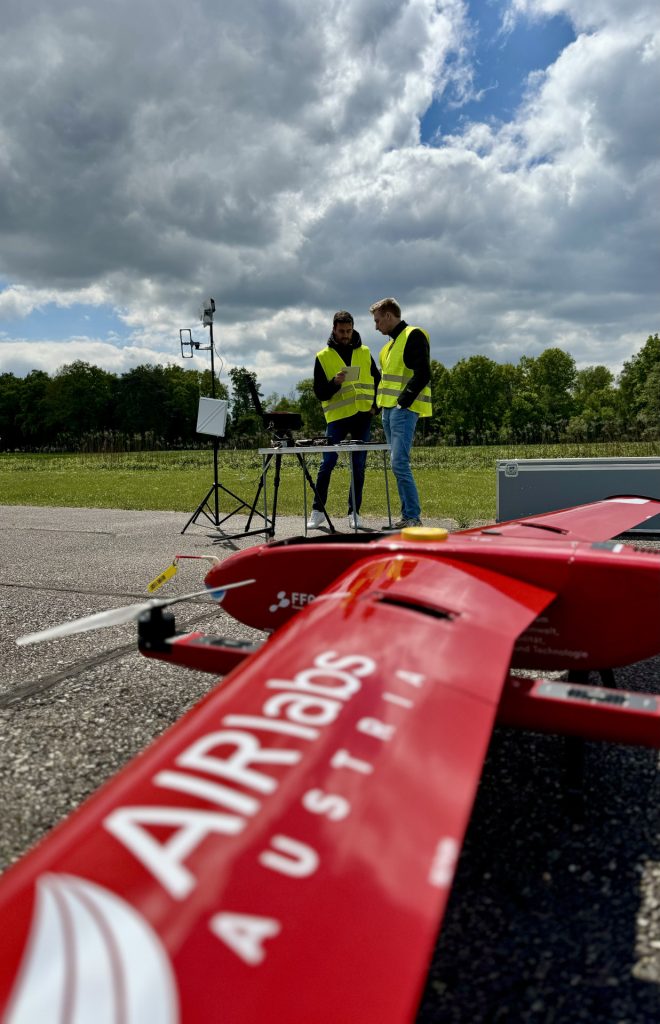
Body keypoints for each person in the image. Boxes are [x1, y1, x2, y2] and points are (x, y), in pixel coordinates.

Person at [307, 311, 381, 530]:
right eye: (341, 331)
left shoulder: (365, 352)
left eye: (349, 331)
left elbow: (378, 381)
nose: (346, 335)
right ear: (334, 329)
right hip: (337, 418)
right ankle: (318, 511)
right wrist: (334, 383)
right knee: (327, 463)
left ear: (353, 328)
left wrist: (377, 406)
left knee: (358, 465)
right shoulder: (323, 356)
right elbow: (320, 393)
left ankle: (354, 513)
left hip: (363, 416)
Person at [370, 297, 432, 529]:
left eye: (377, 321)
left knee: (399, 463)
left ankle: (413, 518)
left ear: (388, 316)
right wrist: (380, 407)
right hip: (388, 411)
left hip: (403, 411)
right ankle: (407, 517)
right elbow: (385, 381)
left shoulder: (413, 335)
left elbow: (423, 373)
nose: (376, 327)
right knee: (397, 464)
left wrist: (402, 403)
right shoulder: (388, 346)